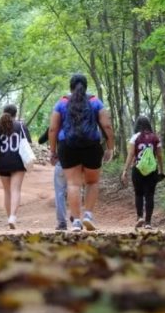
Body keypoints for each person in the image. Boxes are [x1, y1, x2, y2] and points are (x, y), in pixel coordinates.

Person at [49, 73, 115, 232]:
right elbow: (107, 126)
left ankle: (76, 222)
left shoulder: (61, 103)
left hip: (67, 146)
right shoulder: (95, 102)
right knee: (92, 182)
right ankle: (88, 216)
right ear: (86, 86)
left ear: (70, 87)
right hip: (91, 146)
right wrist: (110, 147)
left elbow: (52, 129)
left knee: (73, 184)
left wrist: (53, 151)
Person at [0, 104, 31, 229]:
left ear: (4, 112)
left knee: (7, 192)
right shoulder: (21, 126)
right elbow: (27, 143)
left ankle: (9, 218)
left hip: (3, 163)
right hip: (18, 162)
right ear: (15, 114)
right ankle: (12, 216)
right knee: (15, 190)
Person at [121, 116, 165, 230]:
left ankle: (140, 216)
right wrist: (161, 170)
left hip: (137, 169)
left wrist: (125, 170)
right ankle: (148, 223)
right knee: (149, 195)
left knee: (138, 194)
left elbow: (131, 154)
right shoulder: (155, 138)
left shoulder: (135, 137)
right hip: (152, 170)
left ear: (137, 125)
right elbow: (159, 156)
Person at [39, 127, 68, 230]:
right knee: (76, 188)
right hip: (79, 163)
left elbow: (41, 140)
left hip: (62, 161)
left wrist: (53, 152)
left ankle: (62, 223)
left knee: (59, 192)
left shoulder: (55, 125)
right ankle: (76, 219)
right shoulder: (80, 121)